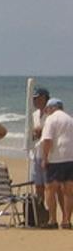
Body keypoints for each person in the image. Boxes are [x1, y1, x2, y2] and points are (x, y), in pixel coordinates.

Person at [39, 98, 73, 229]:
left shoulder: (51, 119)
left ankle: (52, 220)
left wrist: (45, 157)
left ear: (51, 108)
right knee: (69, 191)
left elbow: (47, 140)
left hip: (56, 158)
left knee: (50, 189)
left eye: (47, 109)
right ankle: (66, 220)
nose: (46, 112)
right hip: (70, 158)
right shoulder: (70, 119)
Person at [30, 87, 51, 202]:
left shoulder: (51, 114)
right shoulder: (34, 114)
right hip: (36, 152)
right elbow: (33, 132)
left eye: (37, 98)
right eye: (34, 99)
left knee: (49, 185)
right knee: (38, 184)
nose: (35, 101)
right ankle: (40, 208)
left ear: (44, 98)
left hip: (48, 154)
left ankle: (50, 211)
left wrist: (41, 130)